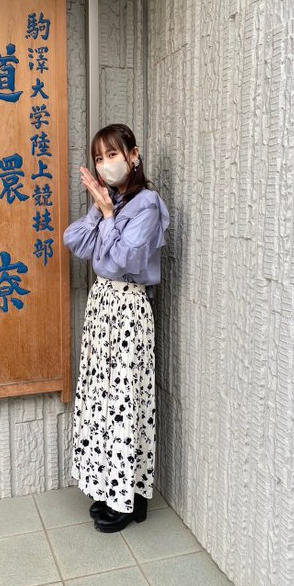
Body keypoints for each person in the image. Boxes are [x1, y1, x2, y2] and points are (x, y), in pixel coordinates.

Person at [62, 123, 170, 533]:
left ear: (133, 155)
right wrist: (102, 209)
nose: (105, 164)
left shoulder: (147, 204)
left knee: (126, 398)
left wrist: (108, 217)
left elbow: (123, 260)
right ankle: (114, 488)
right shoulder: (115, 201)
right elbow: (75, 241)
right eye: (99, 158)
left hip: (127, 309)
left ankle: (130, 498)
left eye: (112, 154)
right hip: (103, 308)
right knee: (104, 401)